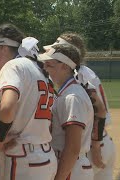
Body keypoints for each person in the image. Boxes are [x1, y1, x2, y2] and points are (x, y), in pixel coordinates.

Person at [0, 23, 57, 180]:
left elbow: (7, 107)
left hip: (23, 158)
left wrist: (0, 138)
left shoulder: (13, 65)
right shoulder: (38, 68)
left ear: (3, 47)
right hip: (45, 155)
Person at [43, 33, 116, 180]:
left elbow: (100, 111)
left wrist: (95, 147)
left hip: (93, 144)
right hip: (94, 141)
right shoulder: (78, 75)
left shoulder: (80, 76)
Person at [39, 44, 94, 180]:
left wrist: (59, 178)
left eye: (49, 64)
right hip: (69, 165)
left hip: (71, 168)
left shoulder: (72, 97)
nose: (44, 68)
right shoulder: (67, 92)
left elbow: (73, 147)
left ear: (65, 66)